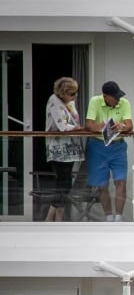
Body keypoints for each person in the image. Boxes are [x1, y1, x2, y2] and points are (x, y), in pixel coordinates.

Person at [84, 81, 133, 222]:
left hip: (117, 146)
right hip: (98, 145)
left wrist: (122, 126)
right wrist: (103, 127)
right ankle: (108, 217)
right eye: (114, 97)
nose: (117, 99)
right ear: (105, 96)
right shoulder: (95, 101)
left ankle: (118, 217)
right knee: (101, 184)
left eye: (118, 96)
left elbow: (129, 125)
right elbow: (89, 124)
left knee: (121, 181)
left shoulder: (124, 103)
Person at [44, 77, 85, 221]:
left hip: (70, 149)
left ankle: (53, 217)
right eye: (72, 94)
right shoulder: (54, 101)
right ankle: (54, 217)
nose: (75, 97)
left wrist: (71, 105)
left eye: (76, 93)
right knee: (63, 182)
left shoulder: (68, 102)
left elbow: (74, 119)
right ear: (63, 93)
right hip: (60, 148)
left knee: (65, 182)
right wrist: (79, 128)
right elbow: (62, 126)